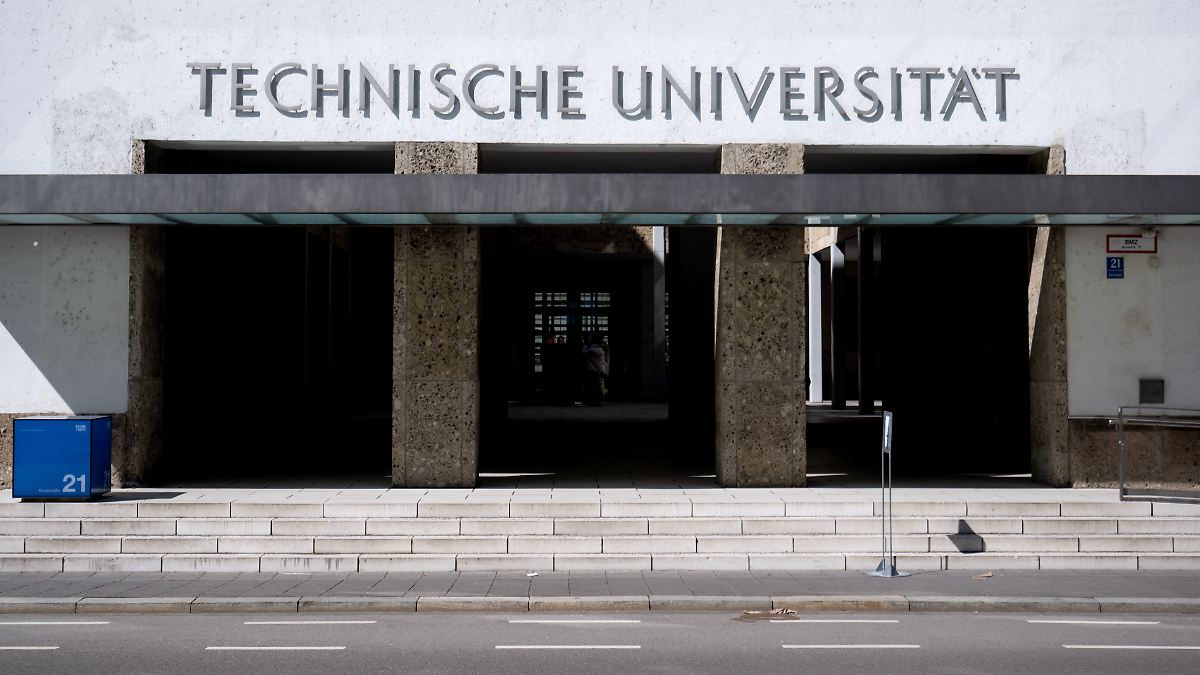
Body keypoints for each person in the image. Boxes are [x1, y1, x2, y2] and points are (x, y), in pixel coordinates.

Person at [581, 332, 609, 406]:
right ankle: (599, 401)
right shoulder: (601, 350)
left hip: (591, 370)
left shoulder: (590, 350)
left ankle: (591, 401)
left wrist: (586, 345)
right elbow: (603, 362)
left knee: (591, 386)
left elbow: (583, 352)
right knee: (598, 386)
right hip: (598, 370)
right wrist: (603, 370)